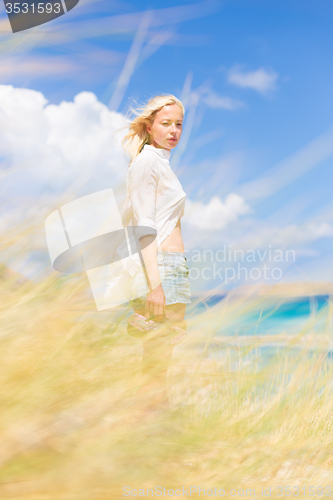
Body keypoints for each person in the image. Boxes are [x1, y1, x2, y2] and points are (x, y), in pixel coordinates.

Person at [120, 94, 191, 410]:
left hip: (171, 265)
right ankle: (148, 428)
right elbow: (144, 225)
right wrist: (156, 285)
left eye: (178, 124)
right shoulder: (147, 162)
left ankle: (150, 431)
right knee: (157, 358)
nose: (174, 130)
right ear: (149, 126)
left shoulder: (160, 163)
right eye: (166, 123)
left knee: (159, 357)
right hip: (161, 266)